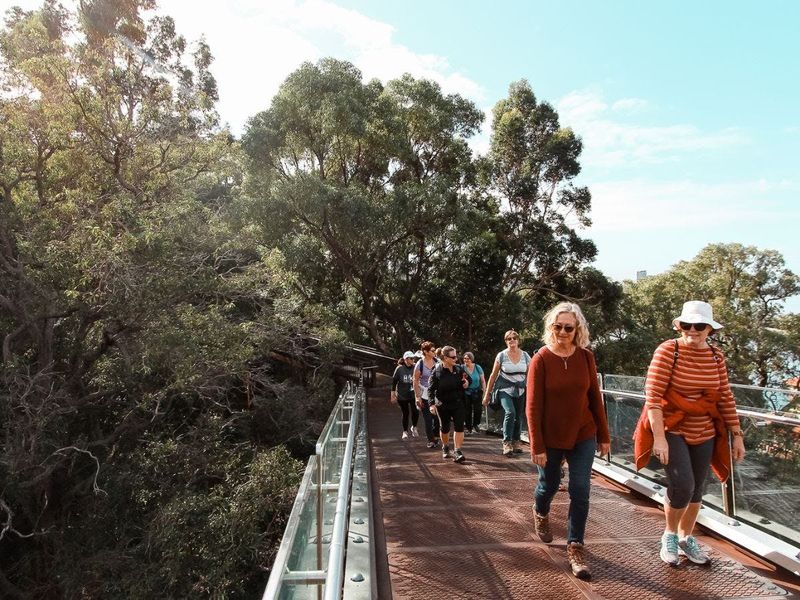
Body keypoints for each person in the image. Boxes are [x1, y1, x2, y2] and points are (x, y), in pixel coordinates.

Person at [635, 301, 745, 567]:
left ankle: (686, 538)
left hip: (704, 430)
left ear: (710, 329)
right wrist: (659, 437)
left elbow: (725, 397)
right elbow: (654, 397)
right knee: (682, 484)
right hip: (672, 427)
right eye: (687, 325)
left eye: (699, 325)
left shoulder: (716, 357)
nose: (692, 330)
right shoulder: (668, 351)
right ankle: (670, 535)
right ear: (679, 326)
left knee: (698, 488)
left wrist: (737, 434)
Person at [526, 302, 610, 580]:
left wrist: (604, 435)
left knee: (580, 489)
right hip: (550, 437)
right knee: (548, 485)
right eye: (557, 326)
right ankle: (540, 510)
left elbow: (595, 398)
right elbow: (533, 406)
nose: (562, 332)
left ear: (578, 330)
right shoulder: (540, 359)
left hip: (583, 433)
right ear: (551, 328)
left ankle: (575, 546)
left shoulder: (586, 357)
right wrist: (536, 446)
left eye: (568, 327)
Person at [483, 330, 531, 457]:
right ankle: (507, 442)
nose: (512, 340)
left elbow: (531, 375)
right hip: (504, 389)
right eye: (509, 339)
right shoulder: (502, 356)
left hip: (520, 389)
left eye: (514, 338)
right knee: (510, 412)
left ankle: (516, 442)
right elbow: (493, 376)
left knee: (519, 416)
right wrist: (487, 395)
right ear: (506, 341)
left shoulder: (525, 356)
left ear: (518, 340)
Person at [428, 345, 468, 463]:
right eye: (453, 357)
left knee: (459, 426)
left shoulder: (459, 369)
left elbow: (468, 379)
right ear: (445, 358)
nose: (456, 359)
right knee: (445, 428)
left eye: (456, 356)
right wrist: (432, 404)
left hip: (458, 402)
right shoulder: (437, 371)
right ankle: (445, 446)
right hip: (443, 404)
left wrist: (466, 383)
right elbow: (430, 389)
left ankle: (457, 450)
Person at [413, 341, 440, 449]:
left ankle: (436, 437)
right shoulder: (419, 364)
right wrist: (417, 396)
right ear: (425, 352)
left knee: (437, 419)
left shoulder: (437, 362)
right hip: (424, 394)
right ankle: (431, 440)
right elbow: (415, 381)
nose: (434, 352)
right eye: (432, 351)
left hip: (436, 394)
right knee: (428, 419)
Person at [391, 351, 420, 440]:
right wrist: (392, 394)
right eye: (411, 358)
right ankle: (405, 432)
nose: (413, 360)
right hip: (402, 395)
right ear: (406, 359)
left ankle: (414, 427)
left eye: (413, 358)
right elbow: (394, 381)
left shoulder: (415, 367)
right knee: (405, 413)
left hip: (413, 394)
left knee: (415, 411)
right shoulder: (399, 369)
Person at [462, 352, 486, 435]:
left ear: (471, 359)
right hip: (466, 392)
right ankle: (468, 427)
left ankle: (476, 424)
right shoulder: (462, 368)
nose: (466, 360)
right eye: (464, 358)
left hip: (477, 391)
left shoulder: (477, 367)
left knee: (478, 409)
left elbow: (482, 381)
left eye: (468, 358)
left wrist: (485, 392)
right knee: (467, 410)